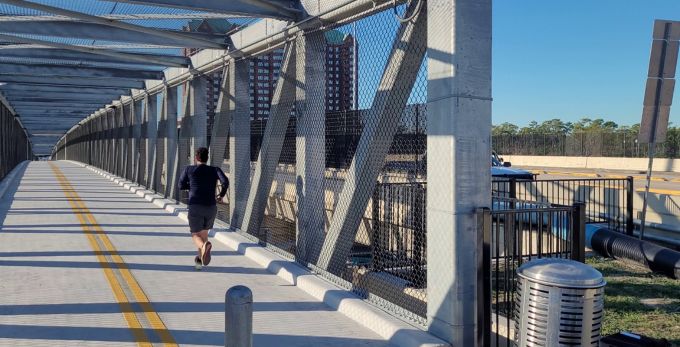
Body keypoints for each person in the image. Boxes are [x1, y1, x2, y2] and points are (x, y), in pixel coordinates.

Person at [178, 147, 229, 270]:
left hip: (195, 206)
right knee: (204, 234)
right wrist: (221, 195)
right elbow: (225, 182)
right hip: (211, 207)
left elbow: (180, 185)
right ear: (207, 158)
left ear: (196, 158)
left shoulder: (189, 169)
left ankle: (205, 246)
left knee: (196, 235)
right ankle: (199, 263)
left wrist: (190, 186)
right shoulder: (214, 170)